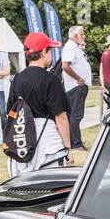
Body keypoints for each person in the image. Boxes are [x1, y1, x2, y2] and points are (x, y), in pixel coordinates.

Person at [6, 32, 74, 175]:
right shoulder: (51, 80)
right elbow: (61, 118)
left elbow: (10, 113)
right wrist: (68, 148)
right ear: (43, 52)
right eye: (50, 51)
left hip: (22, 138)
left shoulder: (17, 79)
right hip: (48, 143)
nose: (51, 55)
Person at [60, 26, 91, 150]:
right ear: (75, 35)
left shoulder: (75, 47)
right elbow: (65, 66)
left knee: (74, 116)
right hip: (75, 87)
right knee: (75, 116)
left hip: (78, 86)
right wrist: (78, 78)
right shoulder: (70, 47)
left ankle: (72, 141)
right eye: (82, 34)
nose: (84, 36)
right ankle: (76, 143)